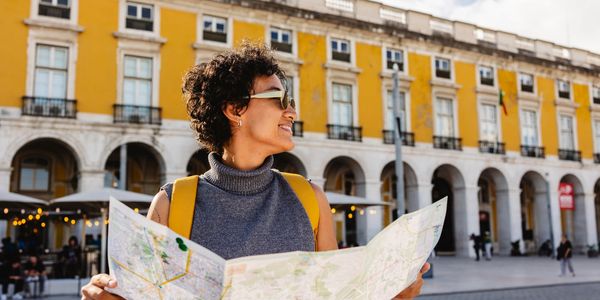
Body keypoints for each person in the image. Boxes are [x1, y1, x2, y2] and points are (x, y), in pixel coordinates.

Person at [81, 42, 430, 299]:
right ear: (236, 110)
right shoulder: (174, 203)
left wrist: (395, 296)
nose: (291, 112)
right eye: (279, 99)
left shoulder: (310, 197)